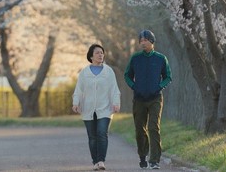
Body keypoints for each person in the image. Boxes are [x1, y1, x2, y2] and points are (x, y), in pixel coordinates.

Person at [124, 30, 172, 169]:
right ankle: (142, 156)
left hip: (155, 98)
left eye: (145, 40)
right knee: (140, 129)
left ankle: (154, 160)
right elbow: (127, 75)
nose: (142, 43)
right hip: (139, 99)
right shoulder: (135, 58)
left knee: (153, 127)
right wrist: (134, 87)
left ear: (152, 41)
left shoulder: (161, 58)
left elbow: (168, 76)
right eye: (141, 40)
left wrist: (159, 87)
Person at [73, 43, 121, 171]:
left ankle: (101, 161)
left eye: (102, 52)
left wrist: (116, 103)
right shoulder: (84, 72)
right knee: (92, 136)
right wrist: (75, 102)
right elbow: (79, 90)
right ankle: (95, 161)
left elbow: (114, 89)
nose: (101, 55)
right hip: (87, 108)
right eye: (97, 53)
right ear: (91, 56)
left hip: (105, 108)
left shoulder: (108, 71)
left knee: (102, 133)